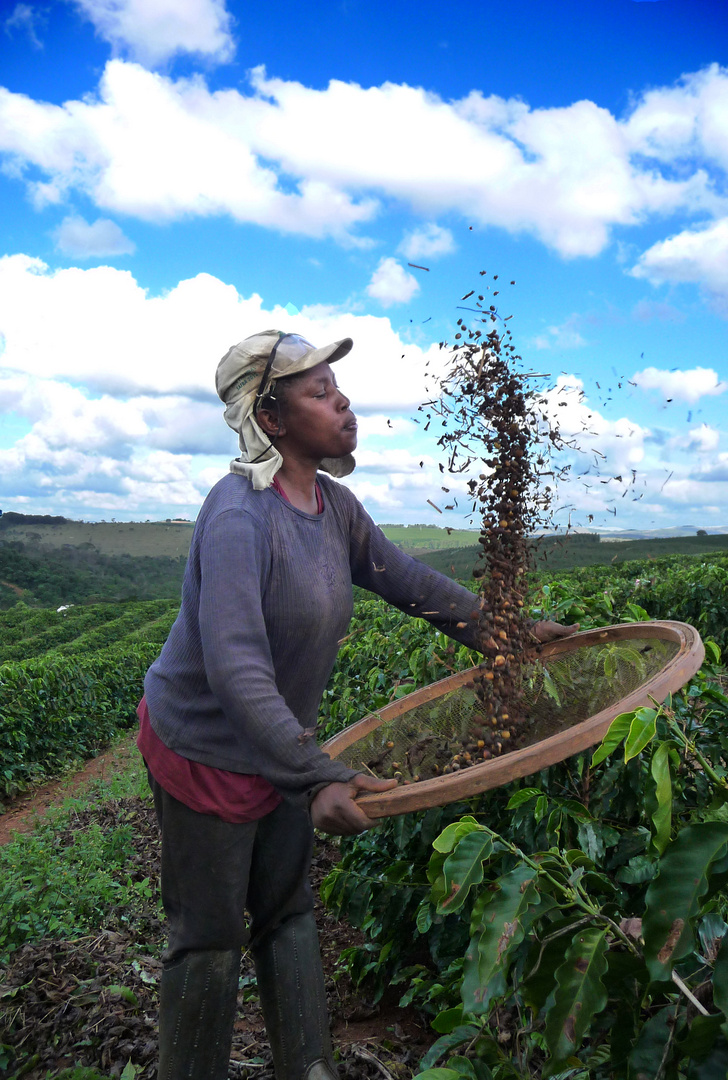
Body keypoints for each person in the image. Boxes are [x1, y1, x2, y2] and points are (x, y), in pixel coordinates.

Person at [137, 329, 575, 1080]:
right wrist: (316, 773)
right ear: (271, 418)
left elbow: (411, 584)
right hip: (207, 750)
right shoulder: (240, 516)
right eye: (318, 391)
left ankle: (308, 1069)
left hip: (282, 749)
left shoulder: (334, 508)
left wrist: (508, 633)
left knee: (287, 913)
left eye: (337, 386)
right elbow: (238, 667)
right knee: (209, 937)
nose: (341, 401)